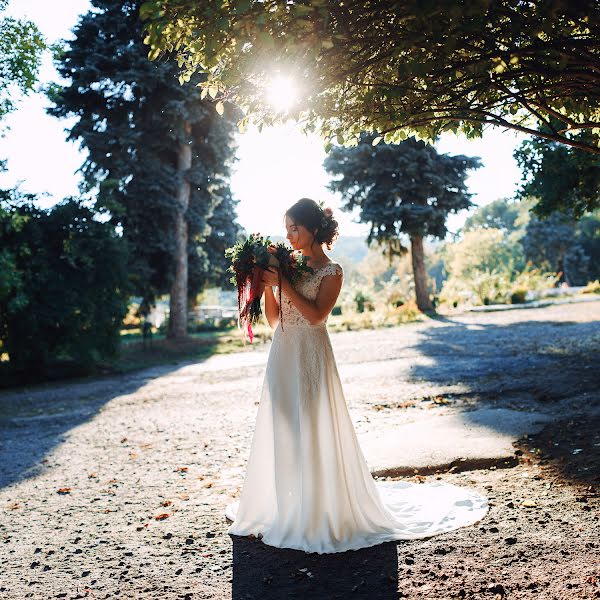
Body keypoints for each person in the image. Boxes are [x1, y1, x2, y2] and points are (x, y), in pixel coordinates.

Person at [225, 198, 488, 554]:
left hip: (311, 353)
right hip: (283, 353)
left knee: (313, 428)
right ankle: (286, 507)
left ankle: (318, 511)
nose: (289, 235)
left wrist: (283, 282)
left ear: (313, 229)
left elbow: (317, 316)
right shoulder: (290, 266)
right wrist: (269, 284)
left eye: (294, 227)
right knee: (284, 425)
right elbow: (275, 321)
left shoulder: (331, 271)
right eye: (286, 228)